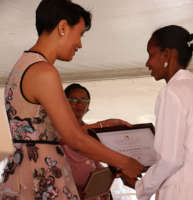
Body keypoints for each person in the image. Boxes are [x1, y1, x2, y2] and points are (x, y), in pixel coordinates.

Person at [0, 0, 143, 199]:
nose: (80, 44)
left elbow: (46, 132)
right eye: (81, 34)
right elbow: (73, 139)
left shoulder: (23, 66)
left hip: (22, 171)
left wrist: (102, 125)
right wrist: (126, 162)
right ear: (62, 27)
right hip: (42, 175)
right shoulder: (43, 71)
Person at [123, 25, 193, 200]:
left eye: (151, 54)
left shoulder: (171, 93)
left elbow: (170, 159)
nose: (147, 63)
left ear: (167, 55)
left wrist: (140, 186)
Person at [63, 83, 129, 200]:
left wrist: (110, 173)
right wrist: (103, 124)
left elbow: (96, 162)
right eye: (73, 99)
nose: (79, 104)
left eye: (84, 100)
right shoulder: (57, 131)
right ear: (64, 103)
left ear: (88, 105)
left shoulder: (92, 133)